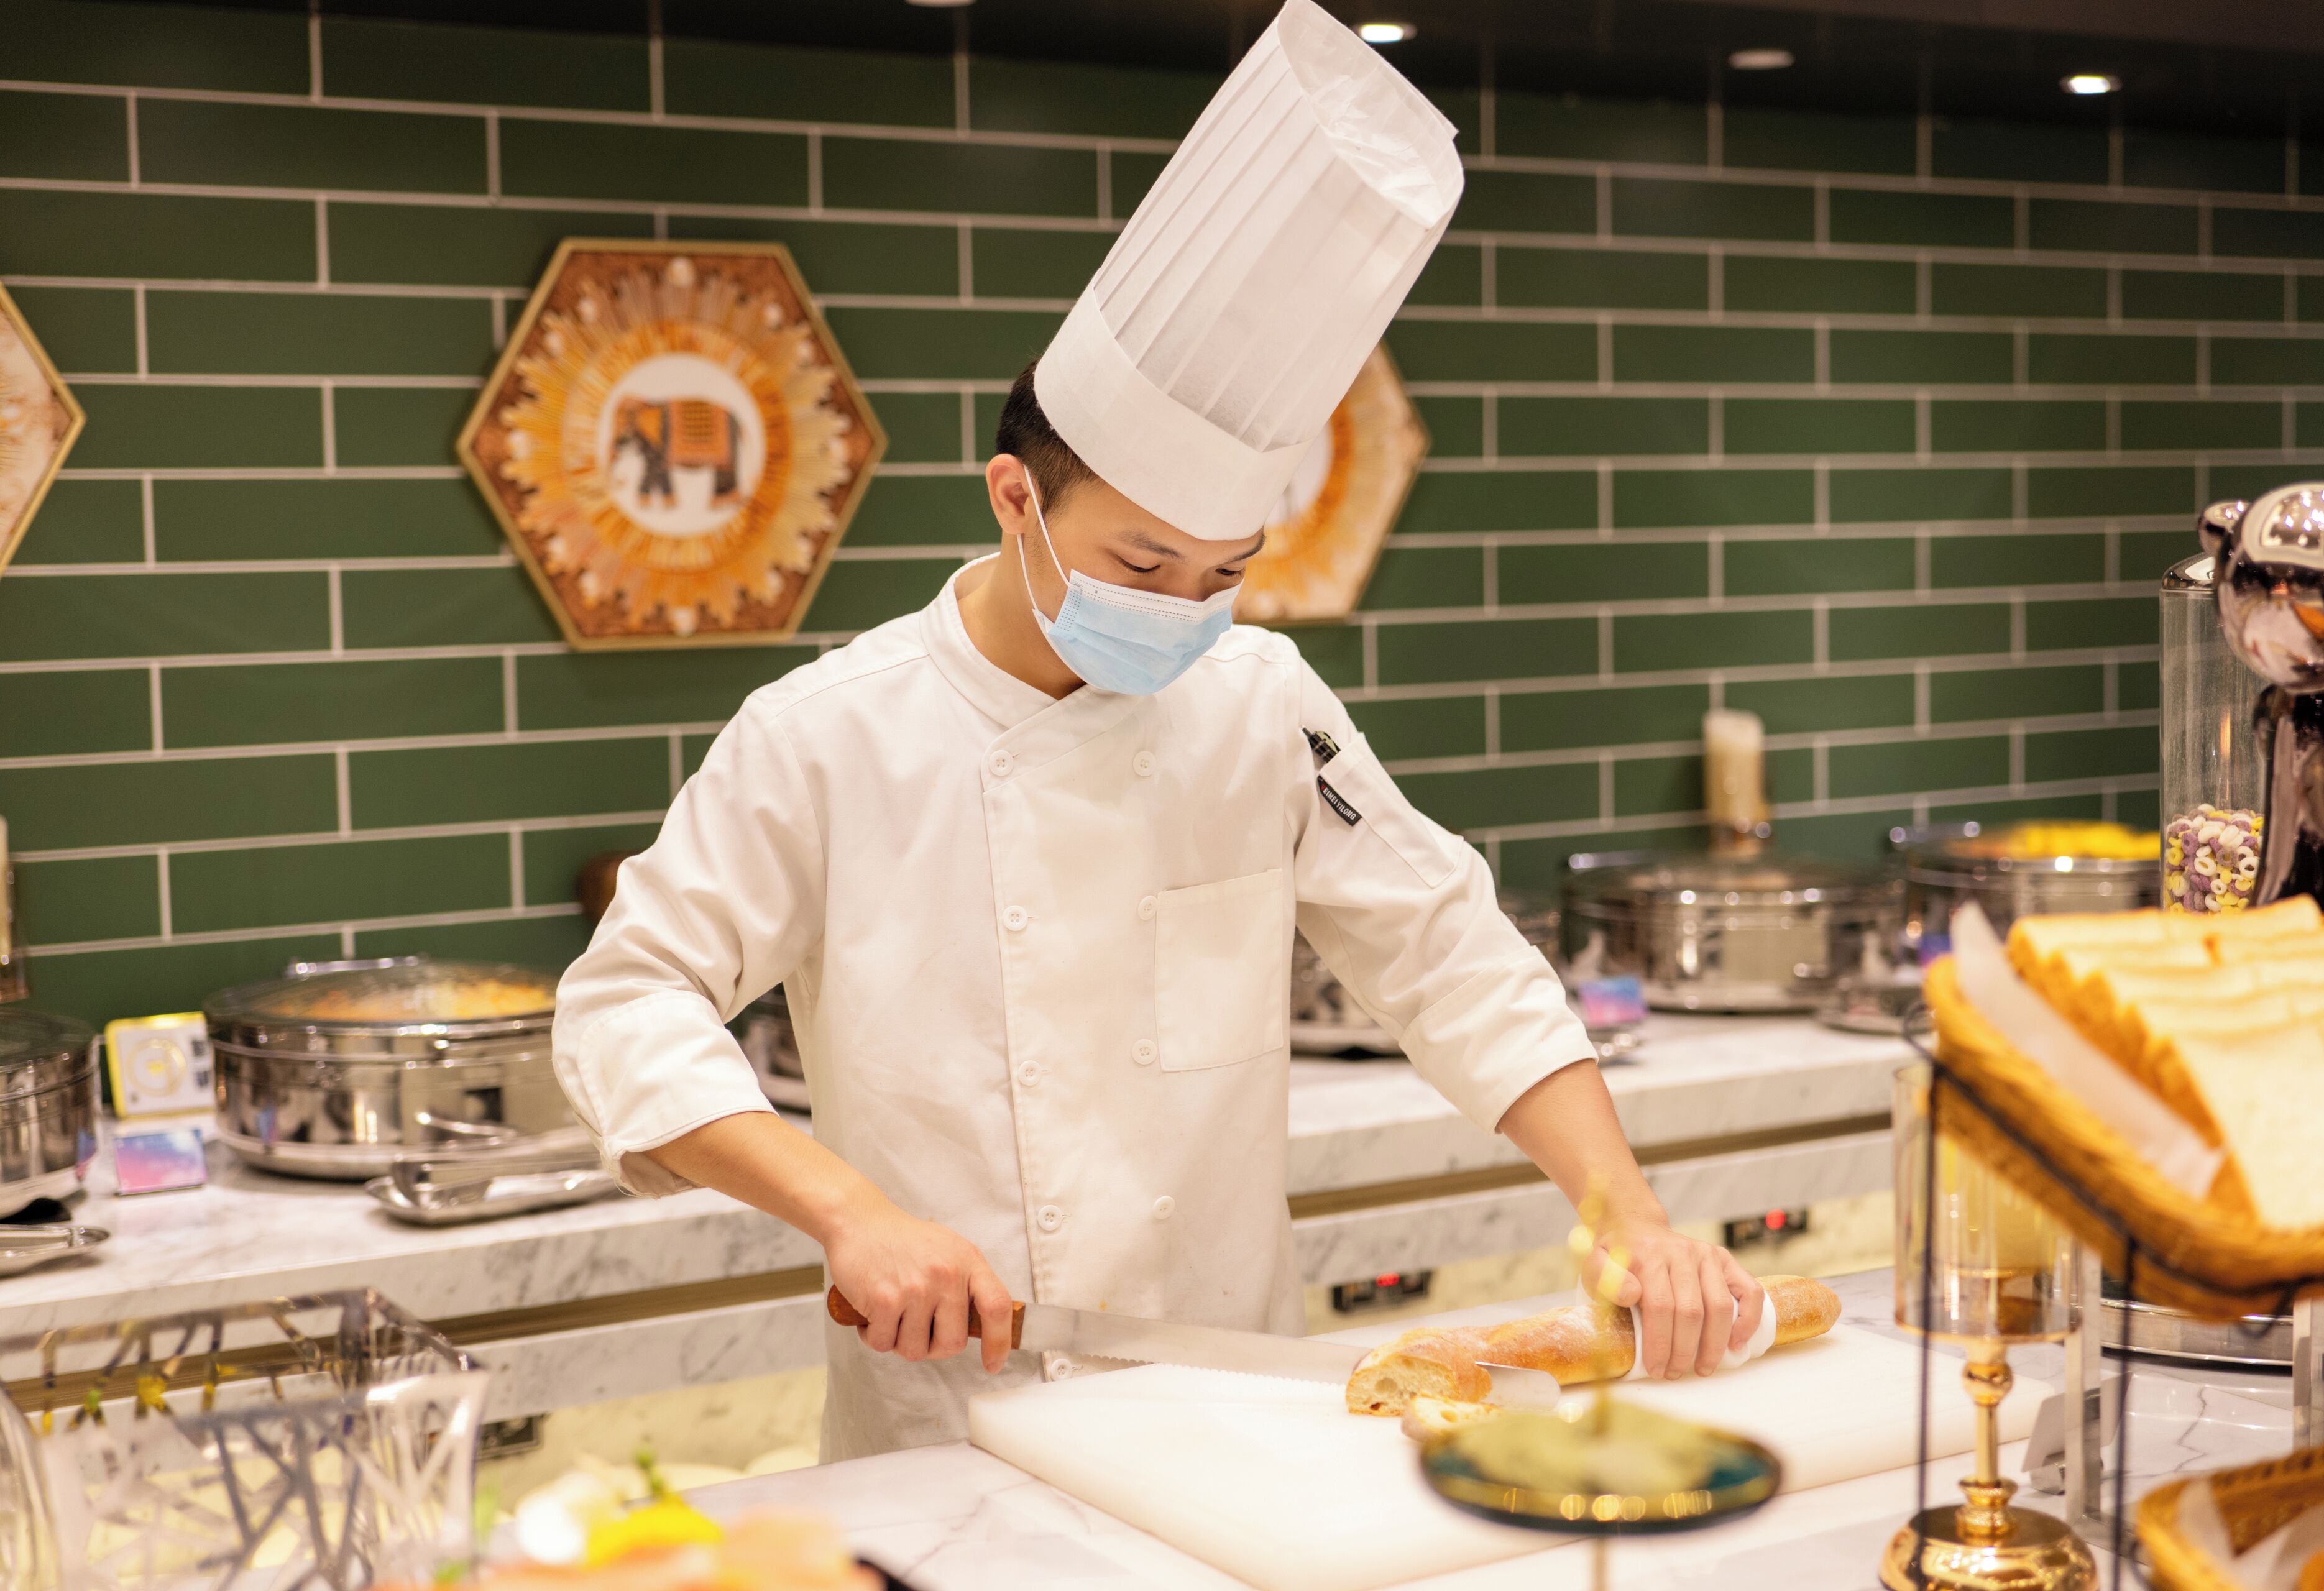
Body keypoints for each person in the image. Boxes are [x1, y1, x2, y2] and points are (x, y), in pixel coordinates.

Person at [552, 0, 1761, 1462]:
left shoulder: (1261, 702)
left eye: (1226, 570)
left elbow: (1447, 951)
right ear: (1013, 497)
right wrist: (848, 1211)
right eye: (1140, 566)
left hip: (1235, 1413)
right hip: (951, 1428)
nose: (1188, 610)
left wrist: (1624, 1206)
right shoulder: (826, 735)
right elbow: (625, 1006)